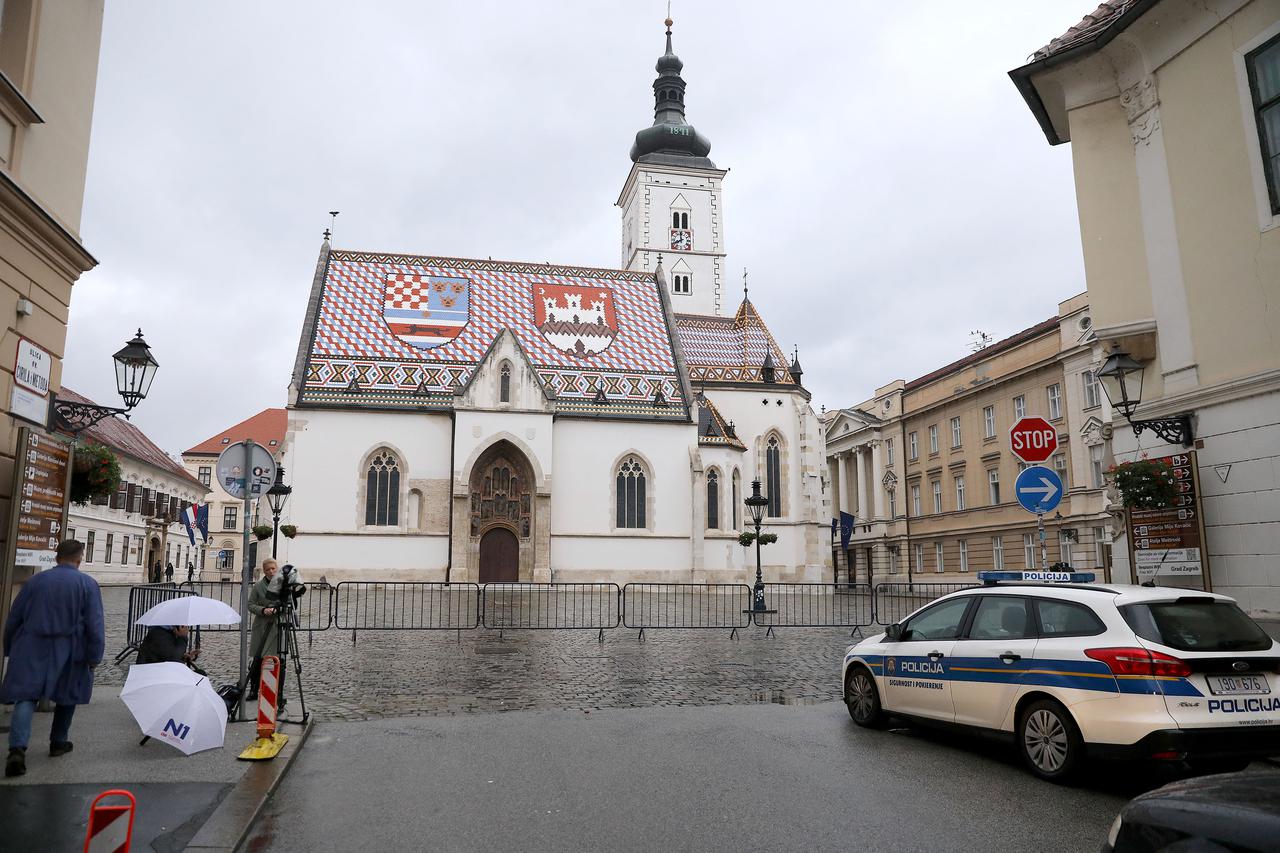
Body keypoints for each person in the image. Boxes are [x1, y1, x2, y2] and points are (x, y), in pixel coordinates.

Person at [1, 540, 104, 778]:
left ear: (56, 558)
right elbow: (95, 626)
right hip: (70, 647)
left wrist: (9, 648)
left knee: (25, 697)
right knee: (68, 695)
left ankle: (17, 748)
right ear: (80, 558)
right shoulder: (87, 584)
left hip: (31, 645)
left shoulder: (35, 582)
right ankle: (58, 742)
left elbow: (14, 618)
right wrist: (94, 657)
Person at [246, 559, 283, 705]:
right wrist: (262, 610)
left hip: (276, 626)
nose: (271, 572)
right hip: (261, 626)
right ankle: (254, 689)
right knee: (257, 658)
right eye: (268, 569)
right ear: (264, 571)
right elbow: (250, 604)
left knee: (276, 659)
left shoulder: (282, 586)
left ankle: (276, 692)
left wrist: (277, 608)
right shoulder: (258, 586)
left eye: (273, 569)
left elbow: (288, 603)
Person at [135, 624, 200, 669]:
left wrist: (183, 657)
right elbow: (173, 661)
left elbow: (167, 656)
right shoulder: (160, 635)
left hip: (157, 672)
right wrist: (183, 637)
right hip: (154, 676)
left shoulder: (163, 632)